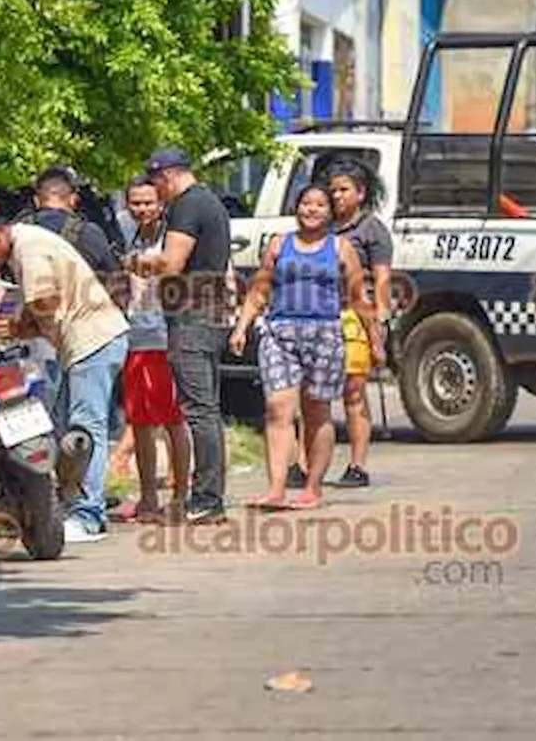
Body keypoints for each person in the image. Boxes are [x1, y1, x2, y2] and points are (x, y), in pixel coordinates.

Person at [0, 215, 130, 543]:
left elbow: (45, 301)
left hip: (93, 340)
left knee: (83, 430)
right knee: (63, 427)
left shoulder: (29, 250)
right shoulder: (27, 240)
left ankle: (88, 515)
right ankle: (71, 506)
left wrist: (22, 326)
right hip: (84, 344)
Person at [229, 183, 383, 510]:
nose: (311, 210)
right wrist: (242, 326)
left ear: (330, 212)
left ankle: (312, 487)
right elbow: (259, 290)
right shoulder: (278, 245)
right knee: (277, 409)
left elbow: (359, 297)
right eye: (305, 204)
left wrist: (374, 340)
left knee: (316, 412)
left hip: (324, 333)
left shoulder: (341, 248)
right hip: (280, 332)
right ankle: (276, 488)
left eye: (319, 205)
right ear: (296, 208)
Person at [129, 147, 233, 525]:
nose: (157, 192)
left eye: (156, 182)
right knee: (207, 408)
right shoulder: (210, 202)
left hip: (192, 317)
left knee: (198, 409)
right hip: (208, 313)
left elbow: (172, 263)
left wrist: (140, 263)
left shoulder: (187, 206)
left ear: (167, 176)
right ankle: (209, 495)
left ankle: (206, 498)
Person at [111, 175, 192, 523]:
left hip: (165, 337)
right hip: (134, 338)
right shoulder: (127, 236)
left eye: (149, 202)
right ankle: (147, 498)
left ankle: (180, 496)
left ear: (161, 203)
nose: (143, 208)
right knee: (140, 422)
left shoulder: (172, 239)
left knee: (173, 420)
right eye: (136, 202)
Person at [326, 155, 393, 487]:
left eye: (344, 190)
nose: (337, 196)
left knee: (353, 392)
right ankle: (305, 463)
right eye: (333, 190)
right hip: (321, 314)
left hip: (356, 316)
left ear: (361, 193)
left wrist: (379, 322)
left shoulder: (372, 229)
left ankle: (358, 465)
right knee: (314, 394)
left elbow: (382, 279)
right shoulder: (321, 226)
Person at [15, 165, 120, 275]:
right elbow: (113, 273)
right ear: (73, 199)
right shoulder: (89, 232)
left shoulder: (16, 230)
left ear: (36, 200)